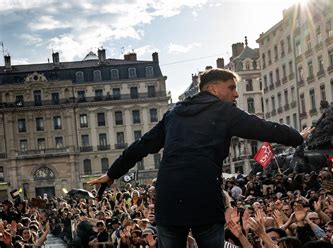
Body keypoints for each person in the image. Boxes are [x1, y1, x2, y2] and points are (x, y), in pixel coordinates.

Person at [89, 68, 314, 247]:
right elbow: (266, 128)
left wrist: (111, 174)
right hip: (204, 197)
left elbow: (142, 145)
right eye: (232, 88)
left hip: (169, 200)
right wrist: (297, 137)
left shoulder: (174, 114)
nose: (236, 94)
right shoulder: (224, 112)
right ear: (214, 89)